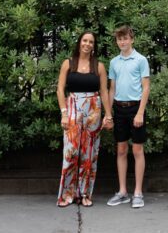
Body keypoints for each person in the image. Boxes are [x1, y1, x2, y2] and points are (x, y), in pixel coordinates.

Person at [56, 30, 113, 207]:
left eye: (91, 42)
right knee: (71, 151)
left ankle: (85, 194)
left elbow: (104, 91)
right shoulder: (68, 63)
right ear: (79, 42)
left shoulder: (99, 66)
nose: (87, 44)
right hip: (72, 108)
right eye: (85, 41)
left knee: (89, 154)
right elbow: (60, 89)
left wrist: (108, 115)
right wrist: (64, 112)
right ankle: (66, 195)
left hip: (93, 110)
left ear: (94, 46)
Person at [106, 25, 150, 209]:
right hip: (119, 109)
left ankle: (138, 192)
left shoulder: (140, 60)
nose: (122, 42)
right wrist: (108, 114)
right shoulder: (114, 62)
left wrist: (140, 112)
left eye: (125, 38)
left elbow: (146, 87)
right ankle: (123, 191)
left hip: (135, 108)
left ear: (132, 39)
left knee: (137, 151)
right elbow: (112, 89)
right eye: (119, 39)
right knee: (122, 150)